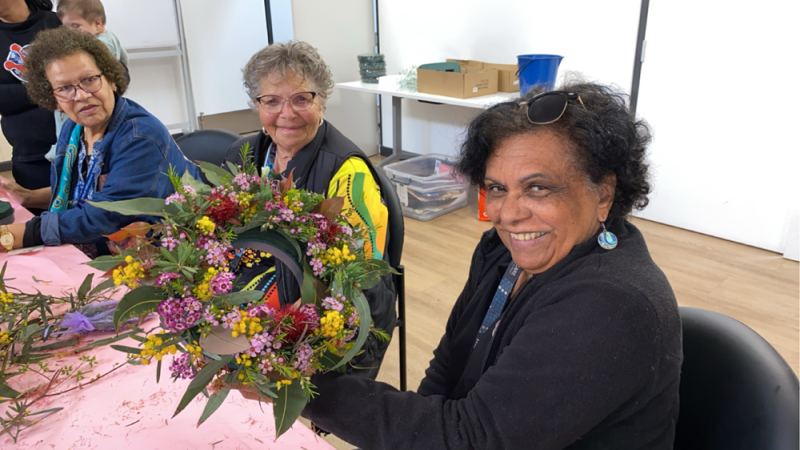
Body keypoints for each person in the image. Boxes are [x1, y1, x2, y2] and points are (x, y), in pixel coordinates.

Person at [239, 80, 683, 449]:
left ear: (603, 192)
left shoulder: (611, 304)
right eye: (497, 188)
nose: (508, 214)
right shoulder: (500, 251)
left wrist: (301, 387)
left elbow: (472, 438)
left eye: (538, 189)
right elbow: (450, 365)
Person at [223, 40, 395, 381]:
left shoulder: (348, 173)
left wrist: (274, 331)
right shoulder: (245, 155)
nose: (286, 114)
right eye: (271, 101)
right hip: (257, 298)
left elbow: (354, 279)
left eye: (302, 98)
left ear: (323, 100)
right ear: (256, 105)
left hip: (331, 314)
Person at [0, 27, 198, 256]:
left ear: (111, 79)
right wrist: (28, 196)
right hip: (100, 252)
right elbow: (79, 194)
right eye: (65, 88)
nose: (81, 95)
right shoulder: (73, 130)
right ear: (53, 98)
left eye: (89, 80)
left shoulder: (140, 137)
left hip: (160, 261)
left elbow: (108, 217)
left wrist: (13, 235)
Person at [45, 0, 129, 162]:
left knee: (64, 116)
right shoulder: (111, 37)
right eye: (66, 28)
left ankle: (60, 150)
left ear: (97, 23)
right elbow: (124, 60)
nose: (71, 33)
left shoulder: (99, 45)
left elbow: (118, 69)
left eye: (76, 27)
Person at [0, 0, 60, 196]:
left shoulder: (60, 21)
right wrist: (56, 87)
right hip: (30, 160)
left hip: (82, 151)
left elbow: (104, 73)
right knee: (39, 224)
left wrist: (19, 92)